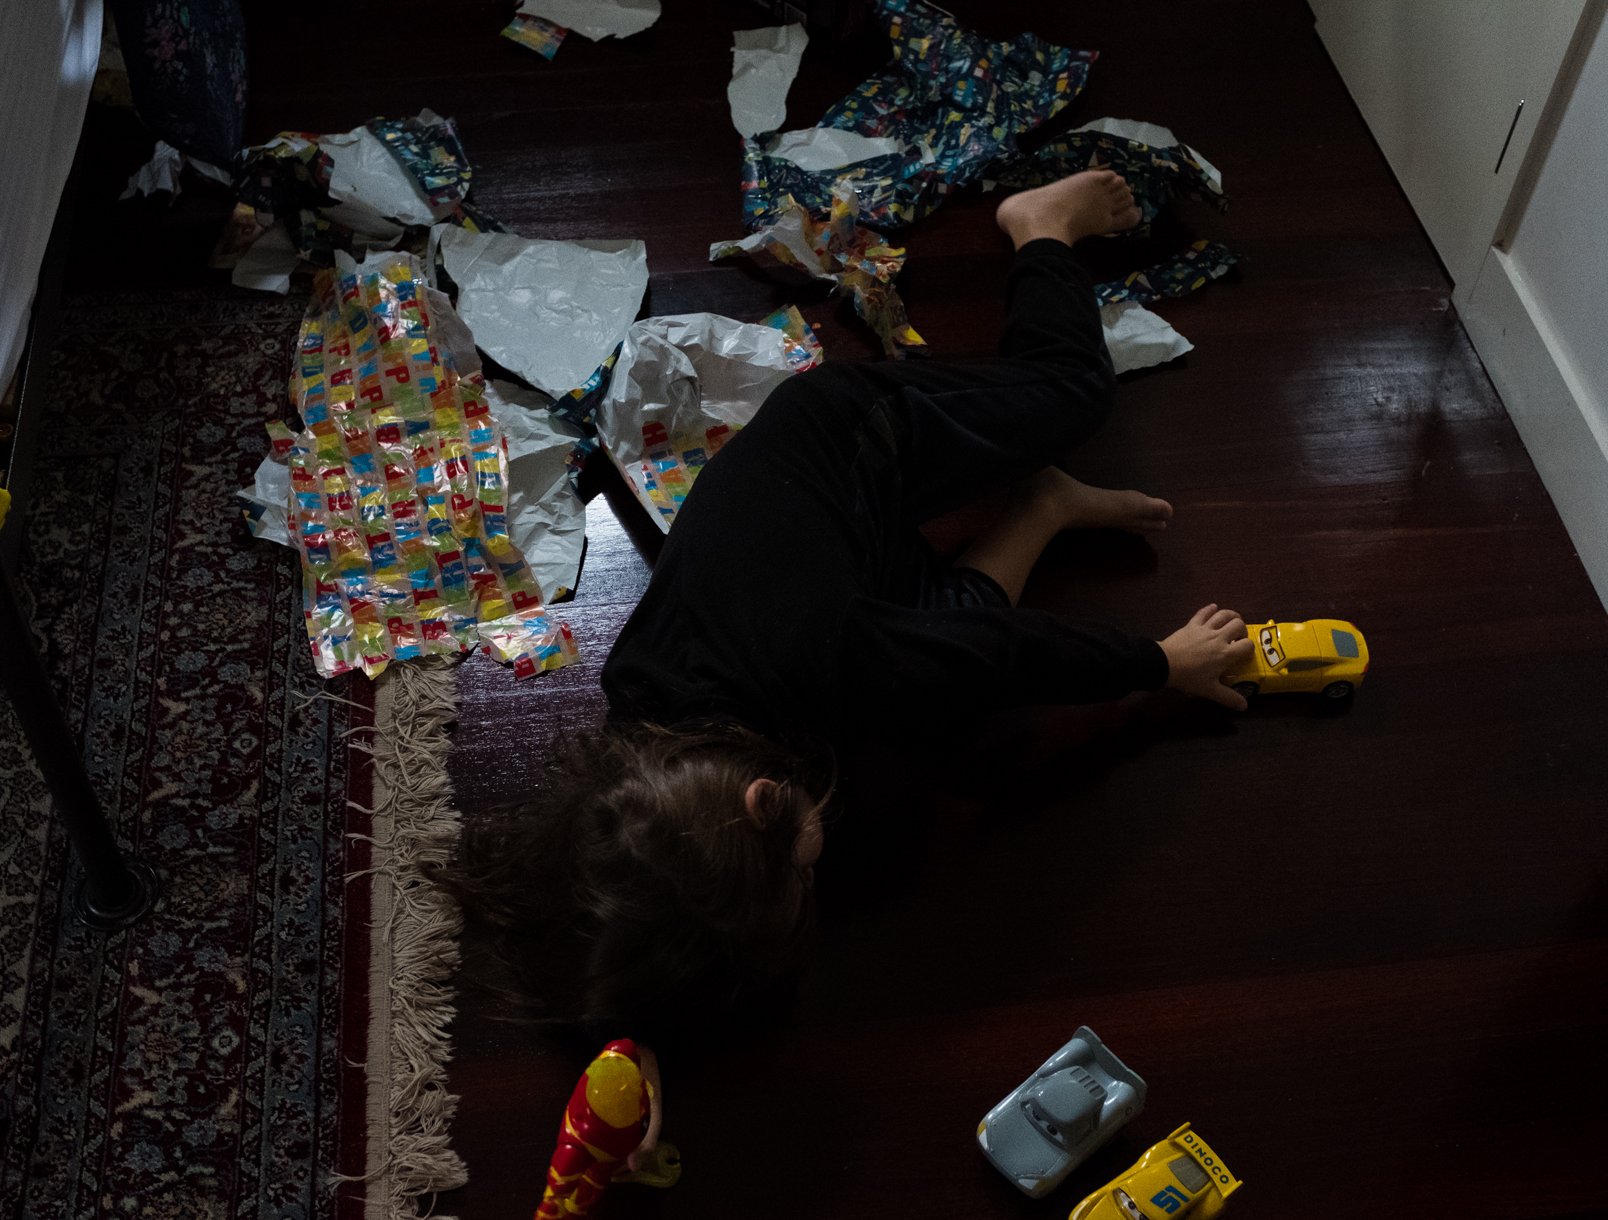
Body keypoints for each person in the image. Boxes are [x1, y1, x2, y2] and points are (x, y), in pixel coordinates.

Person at [442, 168, 1253, 1044]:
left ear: (762, 799)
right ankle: (1043, 504)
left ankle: (1040, 224)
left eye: (793, 881)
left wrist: (1163, 663)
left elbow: (1010, 654)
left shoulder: (835, 660)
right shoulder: (637, 764)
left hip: (853, 442)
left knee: (1071, 394)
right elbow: (632, 902)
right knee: (922, 721)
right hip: (832, 567)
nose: (807, 889)